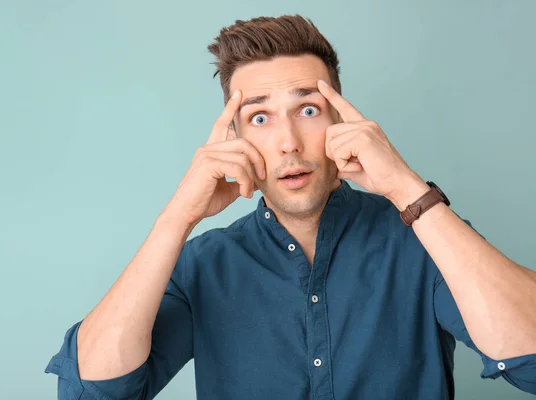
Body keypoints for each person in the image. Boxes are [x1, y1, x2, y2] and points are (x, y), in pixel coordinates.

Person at [44, 14, 536, 399]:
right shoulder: (202, 266)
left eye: (307, 110)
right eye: (259, 117)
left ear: (342, 120)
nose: (288, 142)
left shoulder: (424, 237)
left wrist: (405, 186)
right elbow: (93, 392)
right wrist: (176, 219)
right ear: (235, 139)